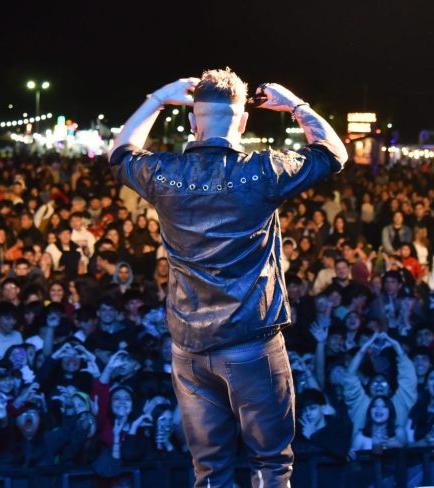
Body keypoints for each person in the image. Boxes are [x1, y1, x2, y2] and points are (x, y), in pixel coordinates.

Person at [110, 69, 347, 487]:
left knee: (210, 471)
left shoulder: (165, 174)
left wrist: (158, 97)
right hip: (251, 345)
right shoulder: (263, 171)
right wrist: (296, 105)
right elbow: (333, 154)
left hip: (190, 349)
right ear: (242, 122)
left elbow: (121, 152)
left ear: (191, 121)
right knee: (272, 464)